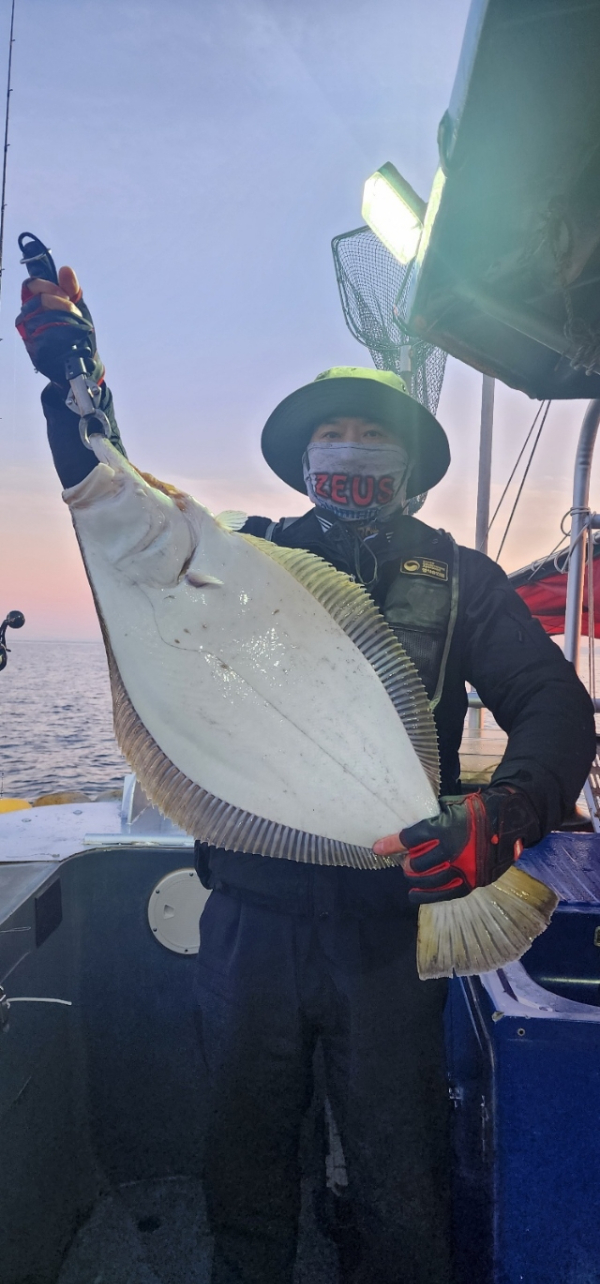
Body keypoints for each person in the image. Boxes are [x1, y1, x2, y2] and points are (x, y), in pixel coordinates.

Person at [17, 267, 596, 1284]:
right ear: (303, 462)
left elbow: (557, 710)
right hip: (251, 917)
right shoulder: (249, 556)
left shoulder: (463, 579)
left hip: (389, 925)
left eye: (372, 434)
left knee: (396, 1165)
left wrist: (501, 818)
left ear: (410, 460)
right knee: (243, 1152)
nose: (352, 449)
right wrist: (80, 399)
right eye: (334, 434)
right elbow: (130, 525)